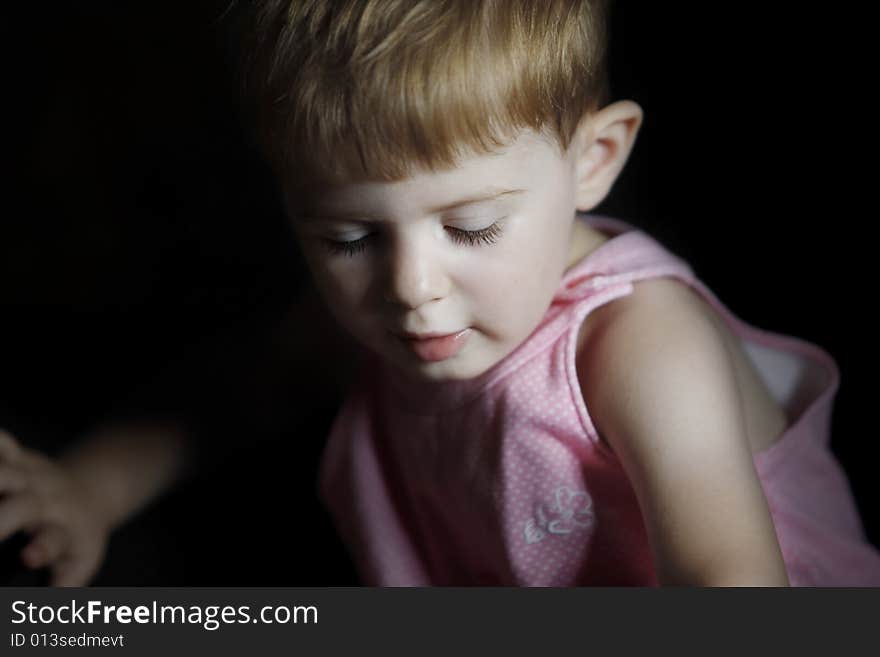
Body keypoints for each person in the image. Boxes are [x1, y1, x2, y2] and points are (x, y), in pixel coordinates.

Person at [236, 0, 880, 586]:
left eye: (472, 228)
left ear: (593, 160)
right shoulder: (369, 320)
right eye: (350, 238)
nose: (411, 288)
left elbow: (729, 579)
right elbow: (249, 392)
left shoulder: (639, 341)